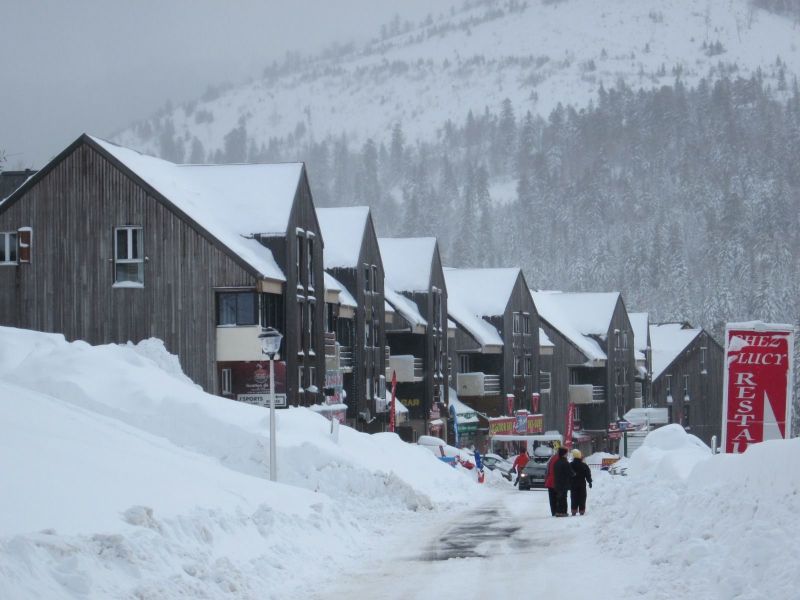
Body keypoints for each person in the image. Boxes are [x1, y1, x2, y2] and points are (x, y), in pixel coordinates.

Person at [569, 449, 592, 515]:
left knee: (574, 497)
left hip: (573, 484)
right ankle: (582, 510)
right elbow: (588, 474)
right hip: (582, 484)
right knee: (582, 497)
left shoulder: (570, 465)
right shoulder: (584, 465)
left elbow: (568, 474)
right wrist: (589, 482)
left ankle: (574, 510)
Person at [553, 446, 574, 517]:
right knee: (563, 498)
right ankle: (563, 512)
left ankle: (558, 511)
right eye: (567, 453)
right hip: (564, 483)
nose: (567, 454)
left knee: (559, 497)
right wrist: (574, 474)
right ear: (564, 454)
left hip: (557, 483)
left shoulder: (556, 462)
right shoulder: (565, 462)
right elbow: (570, 473)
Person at [544, 448, 559, 516]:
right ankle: (558, 511)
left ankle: (553, 512)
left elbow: (546, 470)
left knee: (552, 498)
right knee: (558, 497)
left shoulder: (551, 459)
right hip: (557, 481)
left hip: (550, 481)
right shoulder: (560, 459)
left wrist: (546, 479)